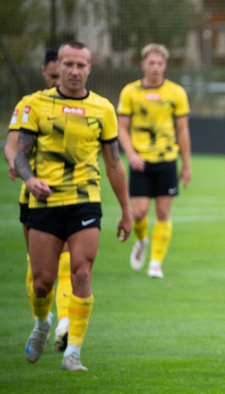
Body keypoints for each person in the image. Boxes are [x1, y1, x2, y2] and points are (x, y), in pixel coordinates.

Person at [15, 41, 132, 371]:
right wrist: (29, 180)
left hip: (85, 201)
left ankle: (73, 353)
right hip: (45, 201)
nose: (74, 71)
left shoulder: (103, 109)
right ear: (57, 67)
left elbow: (113, 164)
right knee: (42, 282)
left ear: (89, 68)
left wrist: (126, 211)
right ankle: (41, 324)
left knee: (81, 272)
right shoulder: (37, 104)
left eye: (81, 65)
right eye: (68, 65)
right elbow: (21, 153)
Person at [4, 48, 73, 354]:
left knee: (73, 265)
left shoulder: (86, 107)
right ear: (45, 73)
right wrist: (20, 167)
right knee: (40, 272)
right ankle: (42, 321)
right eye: (55, 74)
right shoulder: (30, 105)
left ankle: (66, 324)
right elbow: (12, 147)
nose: (62, 79)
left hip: (74, 198)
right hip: (33, 199)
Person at [117, 43, 192, 278]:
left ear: (165, 66)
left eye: (160, 63)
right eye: (151, 63)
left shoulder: (176, 93)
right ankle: (141, 241)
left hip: (167, 160)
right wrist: (130, 154)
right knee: (138, 213)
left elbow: (182, 131)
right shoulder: (130, 92)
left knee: (162, 212)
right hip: (139, 161)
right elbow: (122, 128)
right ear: (143, 65)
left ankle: (155, 263)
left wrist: (186, 164)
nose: (155, 67)